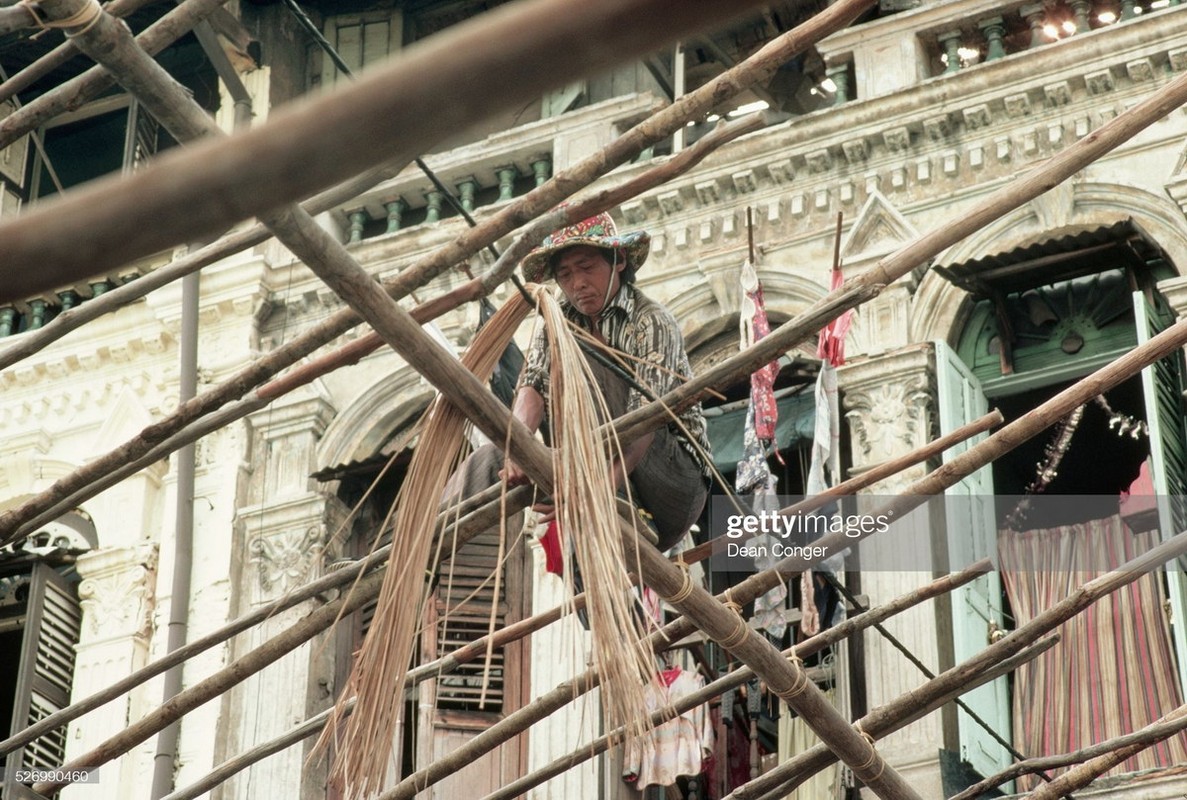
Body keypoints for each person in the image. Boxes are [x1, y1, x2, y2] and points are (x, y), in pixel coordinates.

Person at [499, 211, 712, 552]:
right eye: (565, 275)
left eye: (586, 268)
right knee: (490, 456)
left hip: (669, 484)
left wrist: (597, 491)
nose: (577, 284)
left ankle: (614, 498)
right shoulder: (556, 323)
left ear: (619, 260)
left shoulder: (651, 321)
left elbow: (645, 420)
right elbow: (532, 384)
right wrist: (518, 448)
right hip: (593, 472)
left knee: (592, 364)